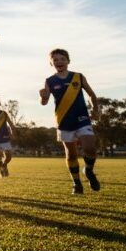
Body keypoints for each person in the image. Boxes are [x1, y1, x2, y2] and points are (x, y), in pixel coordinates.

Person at [39, 48, 101, 195]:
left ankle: (89, 170)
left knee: (90, 147)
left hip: (82, 118)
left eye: (62, 59)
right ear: (51, 63)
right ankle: (76, 183)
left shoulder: (78, 77)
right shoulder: (49, 81)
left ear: (68, 61)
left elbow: (92, 95)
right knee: (71, 155)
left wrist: (95, 109)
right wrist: (42, 96)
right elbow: (44, 101)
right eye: (55, 60)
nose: (59, 62)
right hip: (63, 121)